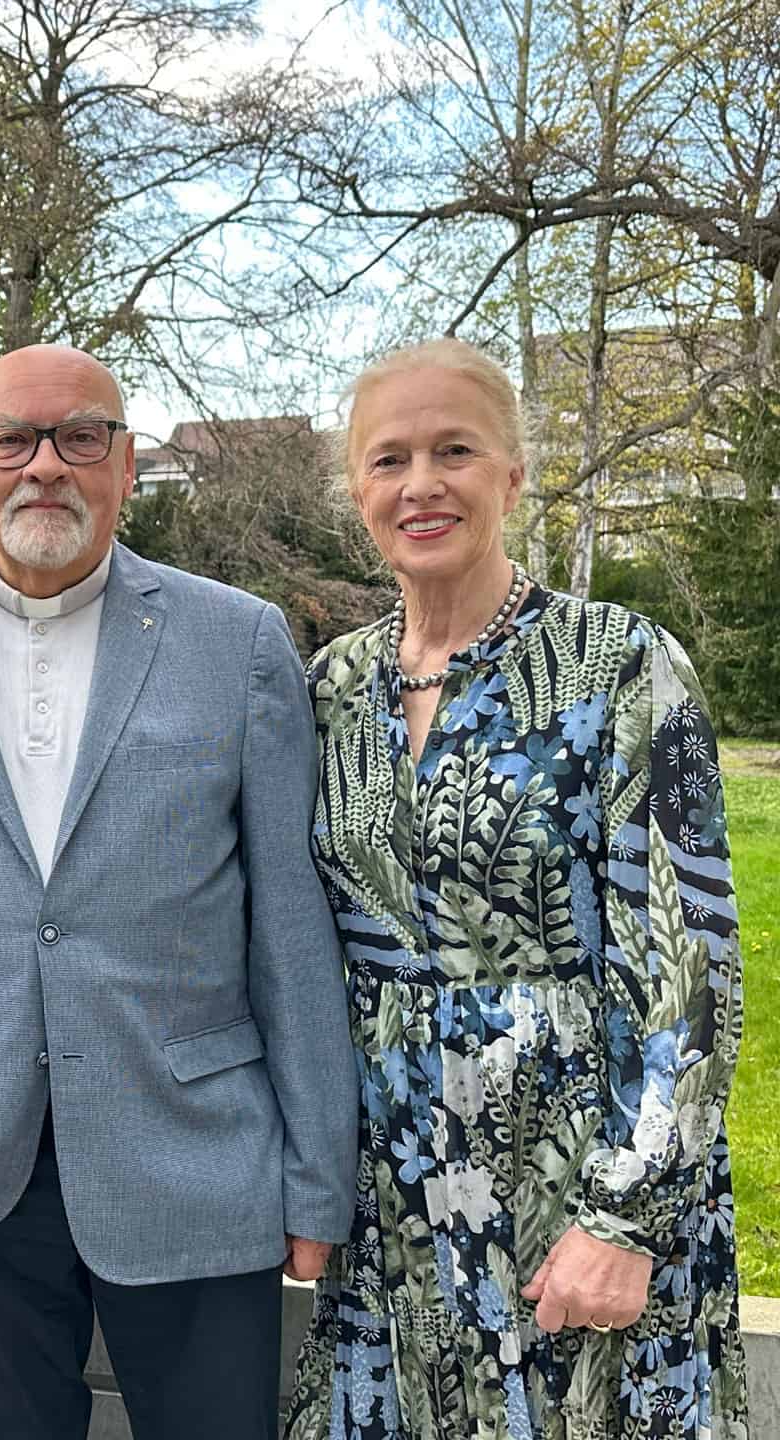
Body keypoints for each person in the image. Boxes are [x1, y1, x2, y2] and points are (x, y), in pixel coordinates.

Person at [0, 342, 357, 1439]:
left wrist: (317, 1179)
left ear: (122, 464)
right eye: (9, 440)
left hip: (197, 1158)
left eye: (79, 438)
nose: (44, 466)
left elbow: (289, 929)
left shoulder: (240, 641)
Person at [284, 338, 748, 1439]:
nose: (422, 484)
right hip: (392, 1206)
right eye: (390, 459)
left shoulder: (621, 662)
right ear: (358, 490)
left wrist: (626, 1217)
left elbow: (691, 967)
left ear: (513, 473)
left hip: (574, 1187)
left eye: (455, 451)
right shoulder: (327, 688)